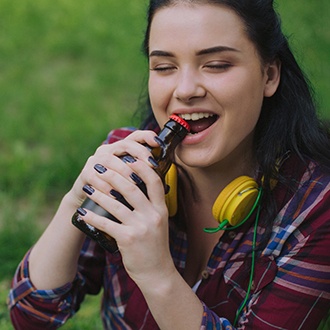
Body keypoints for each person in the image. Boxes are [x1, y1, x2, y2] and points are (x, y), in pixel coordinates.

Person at [8, 0, 330, 329]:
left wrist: (157, 275)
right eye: (164, 67)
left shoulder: (317, 210)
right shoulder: (126, 162)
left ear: (269, 74)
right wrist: (76, 200)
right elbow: (31, 316)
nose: (185, 90)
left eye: (216, 64)